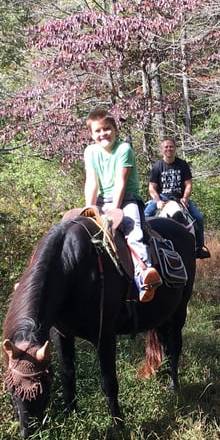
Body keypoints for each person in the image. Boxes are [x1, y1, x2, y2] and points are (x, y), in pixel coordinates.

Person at [82, 108, 160, 303]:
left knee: (132, 229)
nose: (103, 134)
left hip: (125, 199)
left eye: (107, 129)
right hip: (100, 200)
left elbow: (121, 182)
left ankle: (143, 273)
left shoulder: (124, 149)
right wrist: (88, 209)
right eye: (97, 131)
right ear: (91, 134)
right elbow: (91, 183)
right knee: (75, 229)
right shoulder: (90, 151)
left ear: (115, 129)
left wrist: (115, 211)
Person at [143, 137, 210, 259]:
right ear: (162, 149)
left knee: (199, 218)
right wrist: (157, 201)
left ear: (175, 148)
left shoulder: (182, 165)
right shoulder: (157, 166)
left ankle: (199, 248)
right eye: (166, 147)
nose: (168, 149)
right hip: (163, 197)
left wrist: (185, 197)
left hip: (179, 198)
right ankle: (145, 247)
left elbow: (188, 184)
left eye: (171, 146)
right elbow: (152, 187)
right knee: (144, 216)